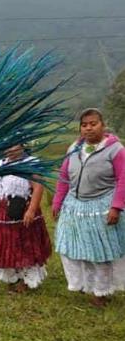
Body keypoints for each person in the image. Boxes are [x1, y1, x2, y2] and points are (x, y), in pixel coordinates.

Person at [53, 108, 125, 307]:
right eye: (84, 125)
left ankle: (101, 292)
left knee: (100, 251)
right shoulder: (74, 148)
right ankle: (86, 285)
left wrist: (116, 207)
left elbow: (123, 179)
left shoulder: (116, 149)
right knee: (75, 248)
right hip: (75, 206)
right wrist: (57, 202)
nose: (88, 128)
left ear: (103, 125)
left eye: (93, 124)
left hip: (102, 205)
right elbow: (64, 178)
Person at [0, 144, 51, 292]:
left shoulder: (30, 163)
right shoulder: (2, 163)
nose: (10, 150)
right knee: (5, 245)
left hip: (21, 210)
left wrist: (31, 210)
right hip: (1, 211)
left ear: (22, 146)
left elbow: (38, 186)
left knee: (22, 245)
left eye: (14, 146)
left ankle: (26, 280)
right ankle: (12, 277)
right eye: (7, 146)